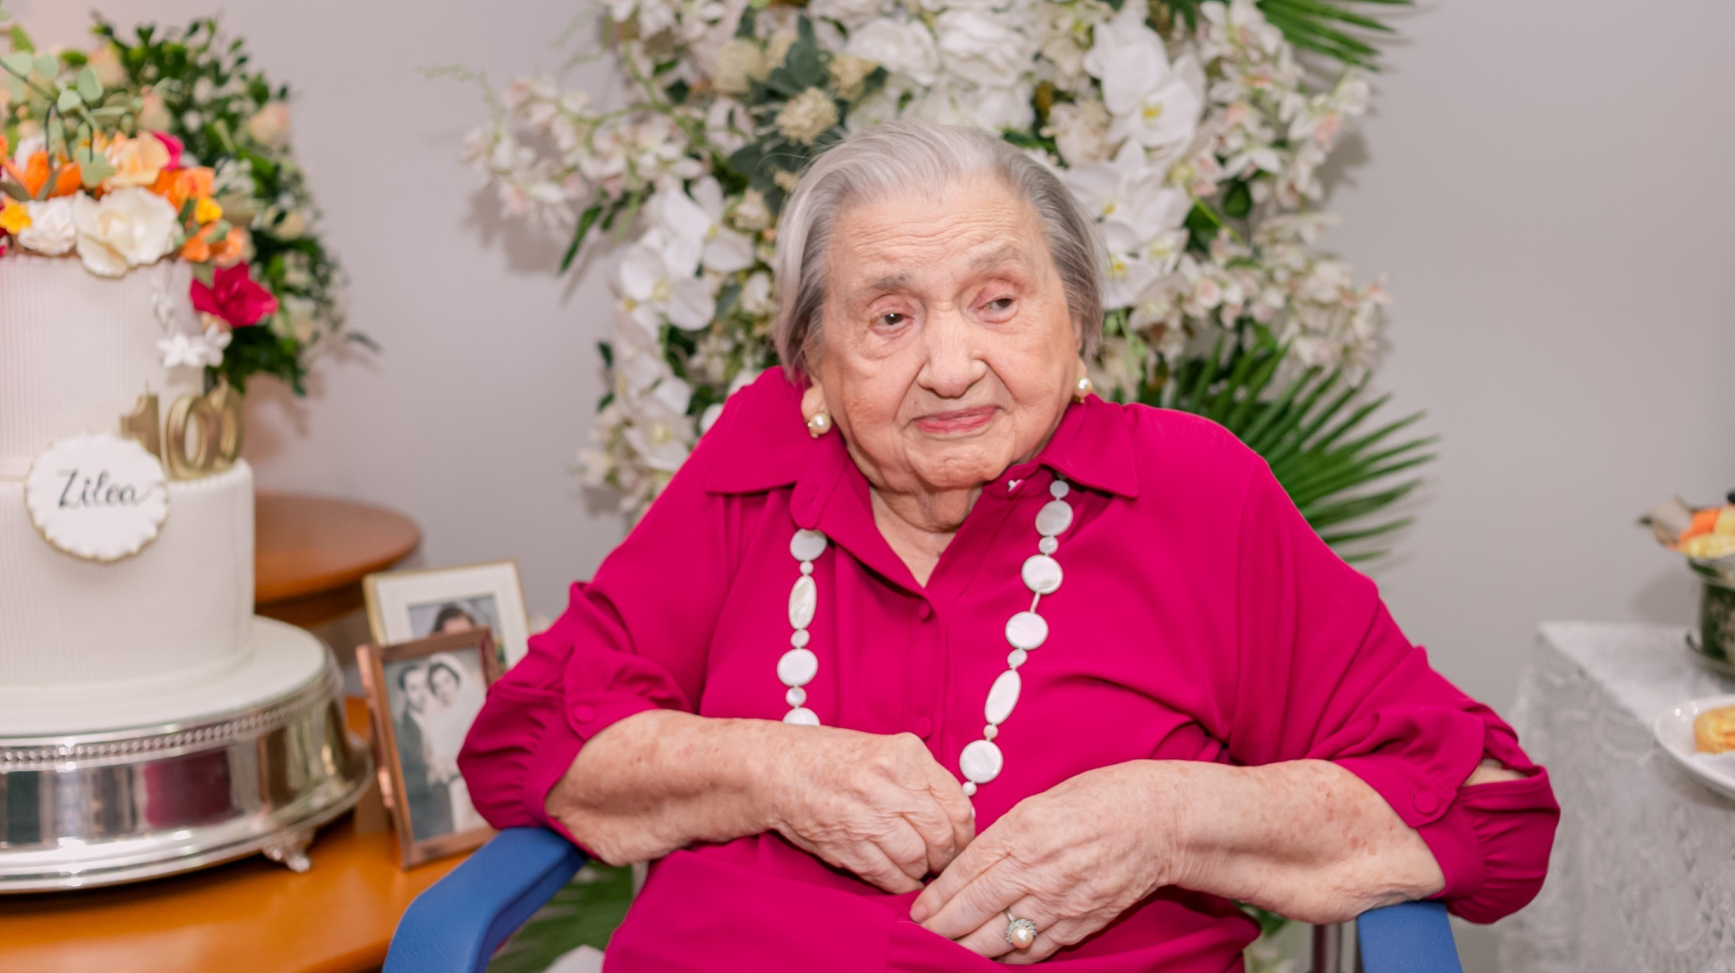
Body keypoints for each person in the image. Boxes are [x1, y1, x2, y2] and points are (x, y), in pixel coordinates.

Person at [460, 121, 1559, 970]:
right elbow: (527, 736)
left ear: (1075, 322)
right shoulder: (757, 465)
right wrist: (775, 772)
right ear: (812, 365)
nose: (949, 368)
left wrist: (1168, 819)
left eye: (996, 301)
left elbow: (1484, 803)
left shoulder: (1193, 494)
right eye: (890, 318)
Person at [424, 656, 488, 835]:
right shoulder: (436, 723)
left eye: (447, 681)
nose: (444, 689)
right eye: (437, 686)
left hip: (486, 781)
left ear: (456, 679)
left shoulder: (477, 708)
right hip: (458, 788)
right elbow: (441, 762)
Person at [395, 662, 453, 841]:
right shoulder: (400, 731)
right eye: (414, 688)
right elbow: (402, 782)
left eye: (424, 686)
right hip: (432, 821)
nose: (422, 694)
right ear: (404, 693)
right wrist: (430, 776)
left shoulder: (444, 716)